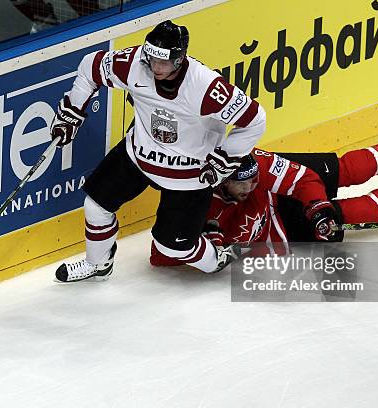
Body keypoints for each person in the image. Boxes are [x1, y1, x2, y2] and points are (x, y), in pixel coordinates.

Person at [50, 20, 266, 282]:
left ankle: (216, 260)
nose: (156, 68)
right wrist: (72, 111)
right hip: (139, 154)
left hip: (189, 174)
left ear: (180, 58)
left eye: (164, 62)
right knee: (95, 206)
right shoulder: (134, 63)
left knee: (172, 247)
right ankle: (98, 263)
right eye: (152, 59)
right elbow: (90, 67)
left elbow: (256, 119)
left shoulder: (205, 86)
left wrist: (227, 157)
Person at [150, 141, 378, 264]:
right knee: (349, 215)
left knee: (343, 172)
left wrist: (317, 208)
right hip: (277, 227)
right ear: (221, 180)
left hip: (281, 195)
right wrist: (204, 246)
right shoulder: (193, 201)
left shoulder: (258, 167)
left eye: (252, 179)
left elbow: (304, 181)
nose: (250, 186)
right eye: (242, 182)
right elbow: (161, 254)